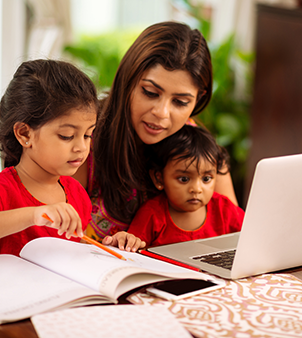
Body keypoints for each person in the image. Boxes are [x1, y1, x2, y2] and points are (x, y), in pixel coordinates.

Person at [72, 21, 238, 250]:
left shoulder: (199, 145)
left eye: (180, 102)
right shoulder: (84, 137)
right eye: (150, 93)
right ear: (128, 81)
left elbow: (234, 232)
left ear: (198, 99)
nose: (161, 113)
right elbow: (51, 233)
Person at [0, 59, 102, 259]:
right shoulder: (2, 188)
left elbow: (75, 249)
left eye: (88, 135)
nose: (81, 147)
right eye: (67, 136)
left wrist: (107, 248)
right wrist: (33, 215)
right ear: (25, 134)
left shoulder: (76, 194)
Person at [127, 124, 245, 247]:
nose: (197, 189)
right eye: (184, 179)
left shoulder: (224, 210)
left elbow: (252, 236)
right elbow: (132, 249)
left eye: (206, 179)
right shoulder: (151, 215)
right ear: (159, 178)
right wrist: (128, 240)